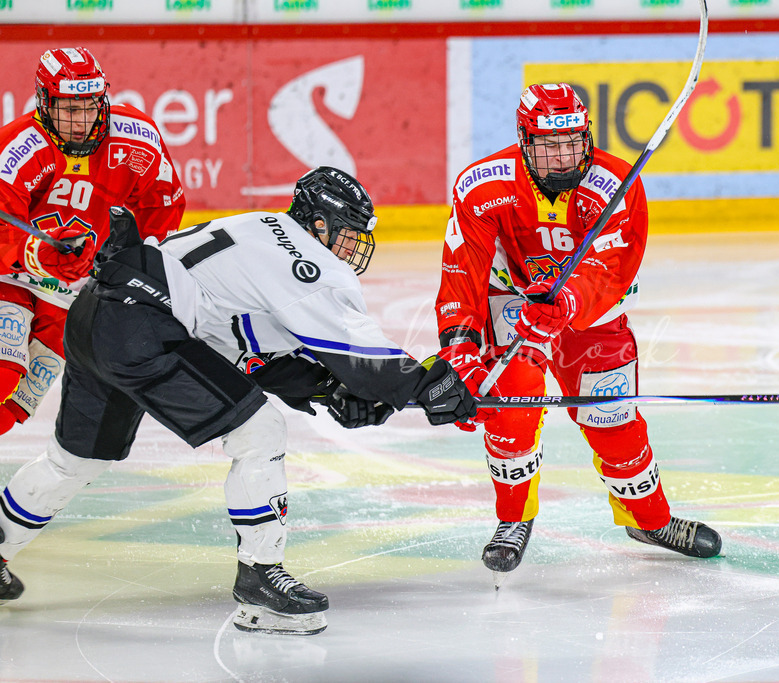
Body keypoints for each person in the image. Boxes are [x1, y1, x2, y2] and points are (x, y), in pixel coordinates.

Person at [0, 167, 477, 635]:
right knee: (259, 432)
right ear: (318, 225)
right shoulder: (302, 257)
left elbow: (240, 347)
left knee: (73, 461)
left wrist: (330, 388)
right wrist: (421, 384)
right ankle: (260, 577)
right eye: (347, 234)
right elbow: (357, 350)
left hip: (97, 313)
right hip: (141, 328)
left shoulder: (256, 227)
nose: (352, 248)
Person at [434, 82, 722, 575]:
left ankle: (649, 520)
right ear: (525, 142)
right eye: (549, 145)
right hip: (514, 306)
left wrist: (566, 301)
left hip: (592, 315)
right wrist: (460, 356)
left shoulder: (615, 184)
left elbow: (613, 267)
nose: (564, 156)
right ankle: (512, 519)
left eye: (572, 142)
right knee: (510, 407)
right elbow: (463, 273)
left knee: (613, 423)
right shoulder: (481, 187)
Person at [0, 46, 185, 435]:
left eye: (90, 106)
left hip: (74, 293)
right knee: (3, 375)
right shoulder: (18, 148)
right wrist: (36, 252)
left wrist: (139, 261)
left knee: (18, 404)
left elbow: (163, 203)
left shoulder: (137, 141)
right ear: (44, 102)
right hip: (11, 279)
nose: (82, 121)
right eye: (69, 109)